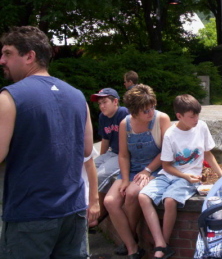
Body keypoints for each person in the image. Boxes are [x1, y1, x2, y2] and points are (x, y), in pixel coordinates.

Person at [0, 26, 93, 258]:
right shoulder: (78, 96)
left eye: (8, 53)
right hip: (73, 212)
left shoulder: (9, 96)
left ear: (29, 56)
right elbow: (87, 150)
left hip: (31, 215)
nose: (2, 60)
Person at [139, 94, 222, 259]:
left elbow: (208, 154)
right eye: (192, 116)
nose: (196, 119)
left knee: (170, 200)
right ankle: (161, 243)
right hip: (171, 174)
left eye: (197, 115)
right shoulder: (171, 134)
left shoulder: (202, 127)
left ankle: (162, 246)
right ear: (179, 116)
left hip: (190, 177)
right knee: (143, 196)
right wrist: (184, 175)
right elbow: (166, 166)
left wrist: (221, 175)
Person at [104, 84, 171, 258]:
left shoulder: (161, 119)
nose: (150, 113)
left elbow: (166, 152)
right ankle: (132, 246)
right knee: (110, 201)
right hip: (132, 169)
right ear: (133, 111)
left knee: (133, 193)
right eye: (145, 111)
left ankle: (129, 239)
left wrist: (148, 171)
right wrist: (125, 179)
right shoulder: (124, 124)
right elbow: (124, 155)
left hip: (155, 168)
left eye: (152, 108)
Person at [90, 88, 128, 227]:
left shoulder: (123, 113)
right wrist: (102, 159)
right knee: (90, 169)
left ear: (115, 101)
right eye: (100, 103)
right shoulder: (102, 117)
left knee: (100, 175)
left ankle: (97, 215)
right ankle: (88, 208)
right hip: (112, 153)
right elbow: (105, 140)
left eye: (105, 102)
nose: (102, 106)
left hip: (124, 155)